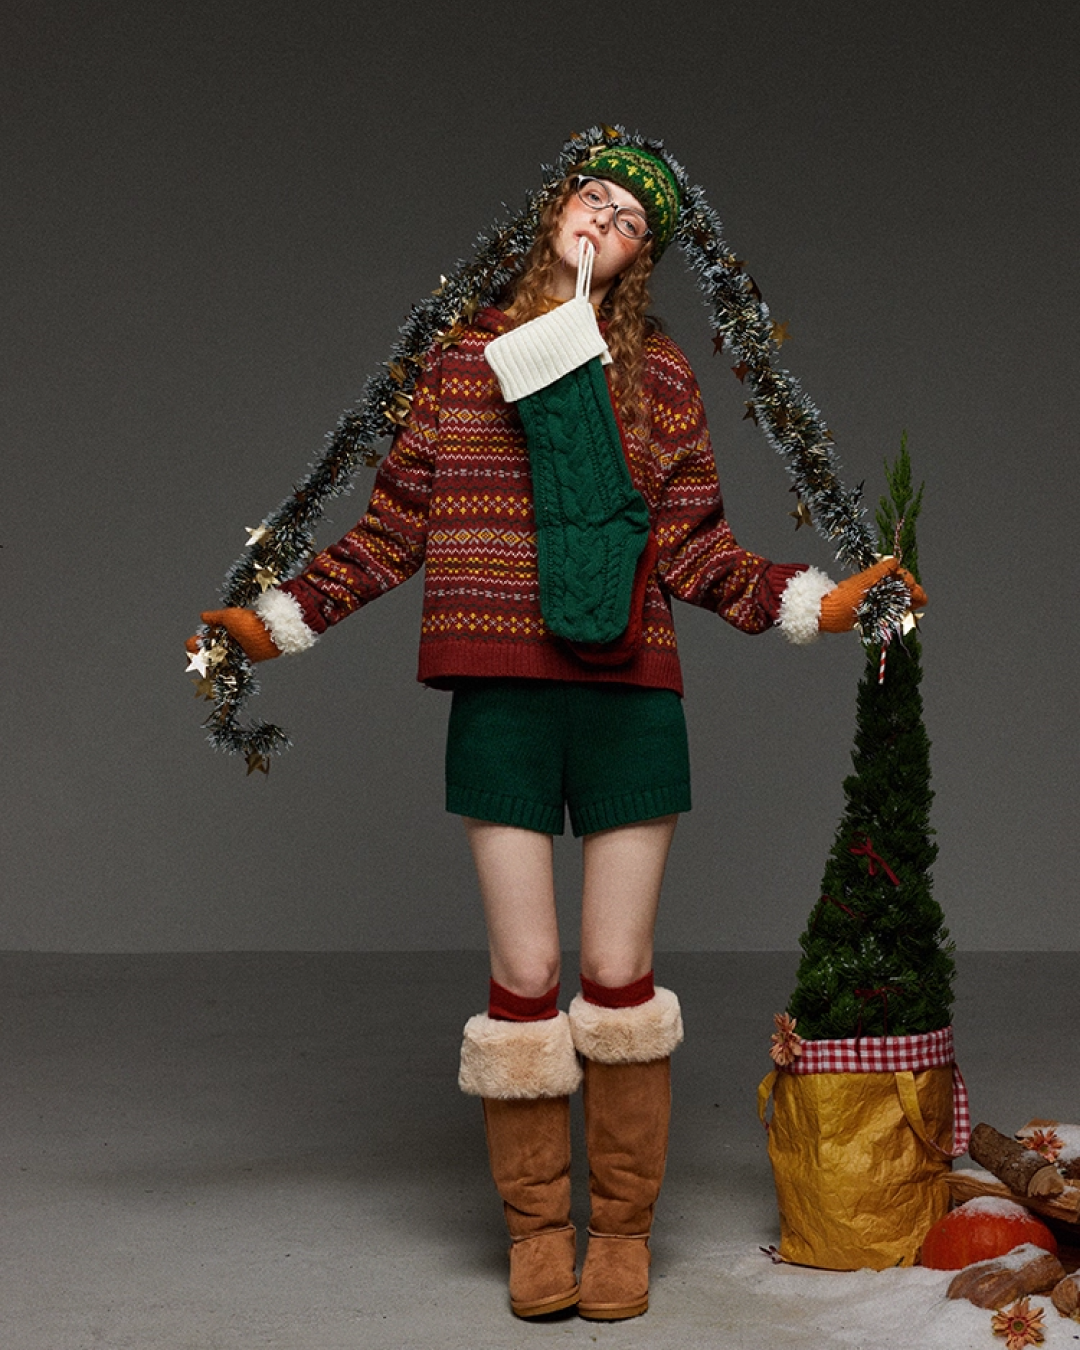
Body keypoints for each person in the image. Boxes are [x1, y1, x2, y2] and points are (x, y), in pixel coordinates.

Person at [188, 138, 924, 1321]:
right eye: (594, 198)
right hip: (502, 694)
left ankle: (621, 1231)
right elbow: (391, 529)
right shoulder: (459, 361)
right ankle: (538, 1230)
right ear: (554, 208)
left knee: (618, 973)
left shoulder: (662, 376)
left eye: (631, 221)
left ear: (642, 257)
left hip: (630, 696)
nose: (604, 223)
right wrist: (277, 622)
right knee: (526, 974)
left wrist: (814, 602)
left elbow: (694, 546)